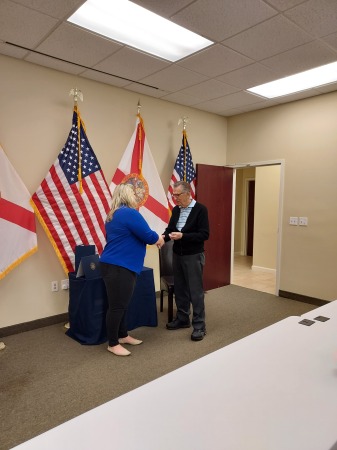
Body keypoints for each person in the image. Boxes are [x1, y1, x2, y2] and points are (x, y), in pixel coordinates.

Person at [100, 183, 164, 357]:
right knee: (117, 306)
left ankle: (122, 335)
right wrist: (159, 237)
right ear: (128, 196)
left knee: (121, 304)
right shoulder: (129, 213)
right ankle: (112, 343)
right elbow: (148, 236)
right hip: (120, 266)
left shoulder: (113, 215)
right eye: (134, 195)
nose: (137, 198)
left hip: (114, 264)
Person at [163, 181, 209, 341]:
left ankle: (199, 326)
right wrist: (163, 237)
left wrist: (184, 236)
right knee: (181, 289)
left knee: (195, 292)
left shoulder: (200, 210)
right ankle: (183, 319)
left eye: (177, 195)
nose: (175, 198)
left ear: (188, 194)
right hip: (178, 255)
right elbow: (170, 230)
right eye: (173, 195)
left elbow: (204, 234)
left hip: (193, 255)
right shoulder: (176, 210)